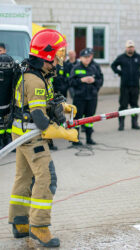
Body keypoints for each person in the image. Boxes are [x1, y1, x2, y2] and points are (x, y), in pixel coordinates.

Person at [8, 29, 78, 248]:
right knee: (47, 179)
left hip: (21, 133)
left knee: (24, 177)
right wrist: (63, 133)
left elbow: (42, 103)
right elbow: (39, 117)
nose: (59, 59)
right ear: (46, 55)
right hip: (31, 135)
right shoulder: (34, 80)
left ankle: (20, 222)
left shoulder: (37, 74)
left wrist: (61, 107)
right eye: (57, 54)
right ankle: (39, 226)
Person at [111, 40, 140, 131]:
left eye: (132, 47)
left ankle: (134, 123)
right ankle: (121, 124)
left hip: (135, 85)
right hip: (124, 86)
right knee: (123, 105)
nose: (130, 48)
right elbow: (113, 65)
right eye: (129, 47)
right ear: (126, 48)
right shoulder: (121, 57)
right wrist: (120, 72)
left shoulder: (139, 57)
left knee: (134, 105)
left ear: (134, 48)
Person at [69, 48, 103, 145]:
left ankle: (89, 138)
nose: (87, 59)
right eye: (85, 57)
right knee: (77, 119)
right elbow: (70, 82)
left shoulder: (94, 68)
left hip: (92, 98)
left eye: (89, 57)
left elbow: (100, 81)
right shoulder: (76, 68)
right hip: (79, 98)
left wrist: (94, 81)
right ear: (81, 58)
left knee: (90, 119)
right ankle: (75, 139)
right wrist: (81, 80)